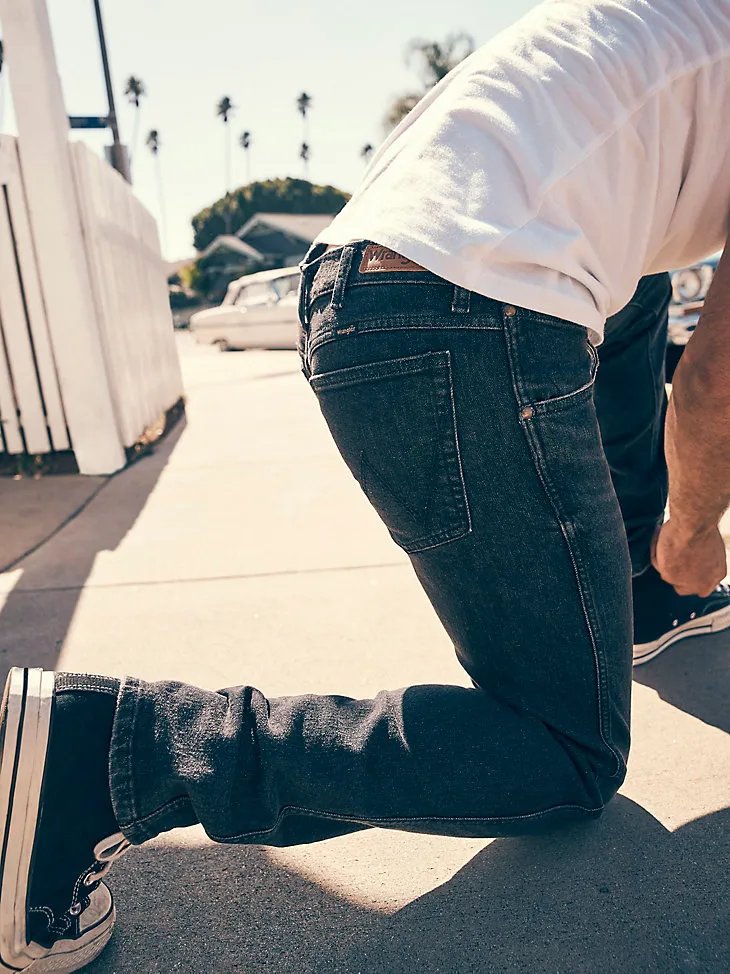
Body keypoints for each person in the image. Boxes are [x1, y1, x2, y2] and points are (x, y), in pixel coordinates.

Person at [2, 0, 730, 970]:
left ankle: (630, 599)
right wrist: (689, 528)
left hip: (360, 295)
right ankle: (106, 752)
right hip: (478, 314)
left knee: (635, 294)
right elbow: (714, 382)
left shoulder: (673, 37)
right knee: (568, 753)